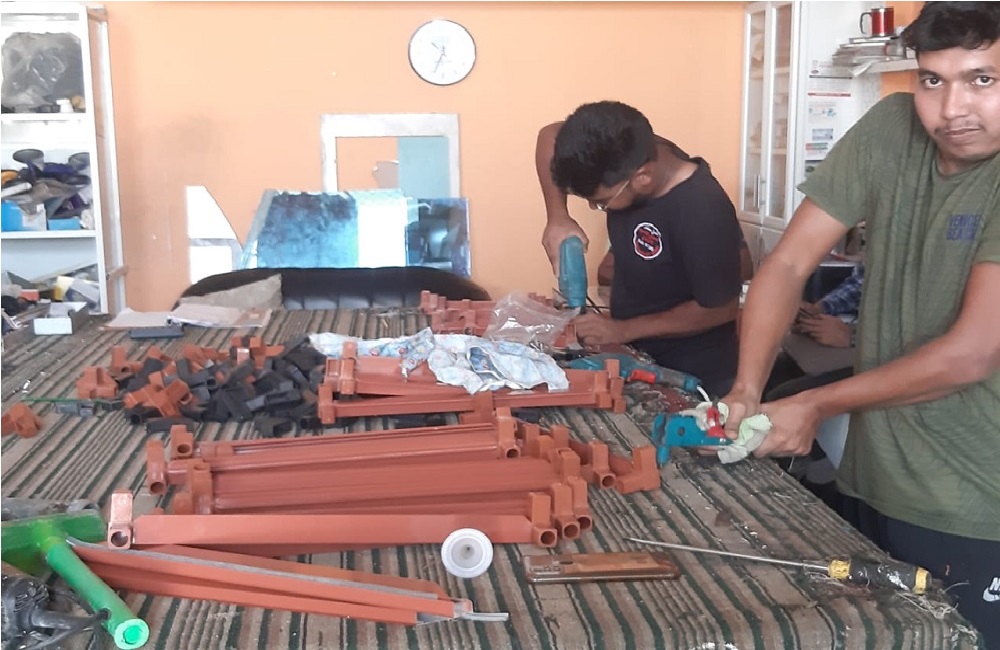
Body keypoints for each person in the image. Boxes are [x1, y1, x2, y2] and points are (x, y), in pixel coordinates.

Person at [721, 3, 1000, 644]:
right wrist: (746, 388)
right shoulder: (891, 128)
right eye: (932, 79)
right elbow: (789, 263)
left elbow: (972, 353)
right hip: (875, 481)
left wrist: (814, 404)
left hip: (977, 505)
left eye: (982, 79)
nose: (951, 109)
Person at [536, 101, 744, 396]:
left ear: (642, 178)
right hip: (636, 353)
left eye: (601, 202)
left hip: (691, 372)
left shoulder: (702, 210)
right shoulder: (631, 147)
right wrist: (558, 216)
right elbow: (550, 135)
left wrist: (622, 330)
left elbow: (719, 309)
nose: (595, 207)